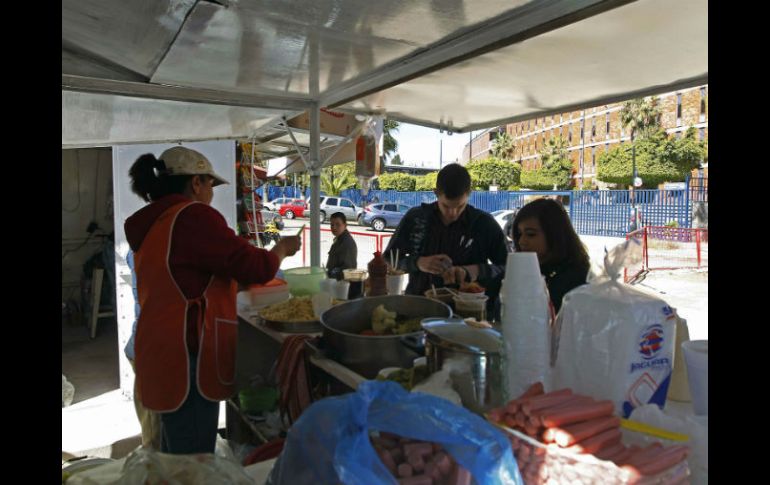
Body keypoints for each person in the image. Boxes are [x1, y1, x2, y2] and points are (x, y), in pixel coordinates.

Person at [125, 146, 300, 454]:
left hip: (160, 347)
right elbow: (256, 267)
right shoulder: (192, 216)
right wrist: (282, 249)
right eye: (209, 185)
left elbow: (191, 274)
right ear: (195, 183)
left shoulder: (155, 222)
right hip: (187, 351)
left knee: (173, 450)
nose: (211, 194)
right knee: (192, 458)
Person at [384, 164, 509, 320]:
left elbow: (510, 268)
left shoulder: (484, 224)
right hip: (418, 311)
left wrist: (474, 271)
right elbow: (388, 259)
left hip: (468, 316)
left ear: (469, 194)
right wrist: (418, 263)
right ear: (435, 193)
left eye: (460, 206)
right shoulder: (416, 218)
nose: (452, 213)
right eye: (446, 206)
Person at [510, 198, 590, 313]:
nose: (522, 241)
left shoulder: (576, 280)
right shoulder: (527, 270)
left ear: (554, 234)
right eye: (519, 234)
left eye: (530, 234)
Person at [123, 250, 161, 450]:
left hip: (141, 345)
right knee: (156, 439)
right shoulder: (161, 242)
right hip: (151, 349)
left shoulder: (139, 242)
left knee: (152, 426)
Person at [326, 212, 357, 280]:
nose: (334, 227)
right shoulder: (339, 239)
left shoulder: (346, 243)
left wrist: (331, 273)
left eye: (338, 224)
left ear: (345, 225)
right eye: (332, 224)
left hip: (341, 285)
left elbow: (348, 269)